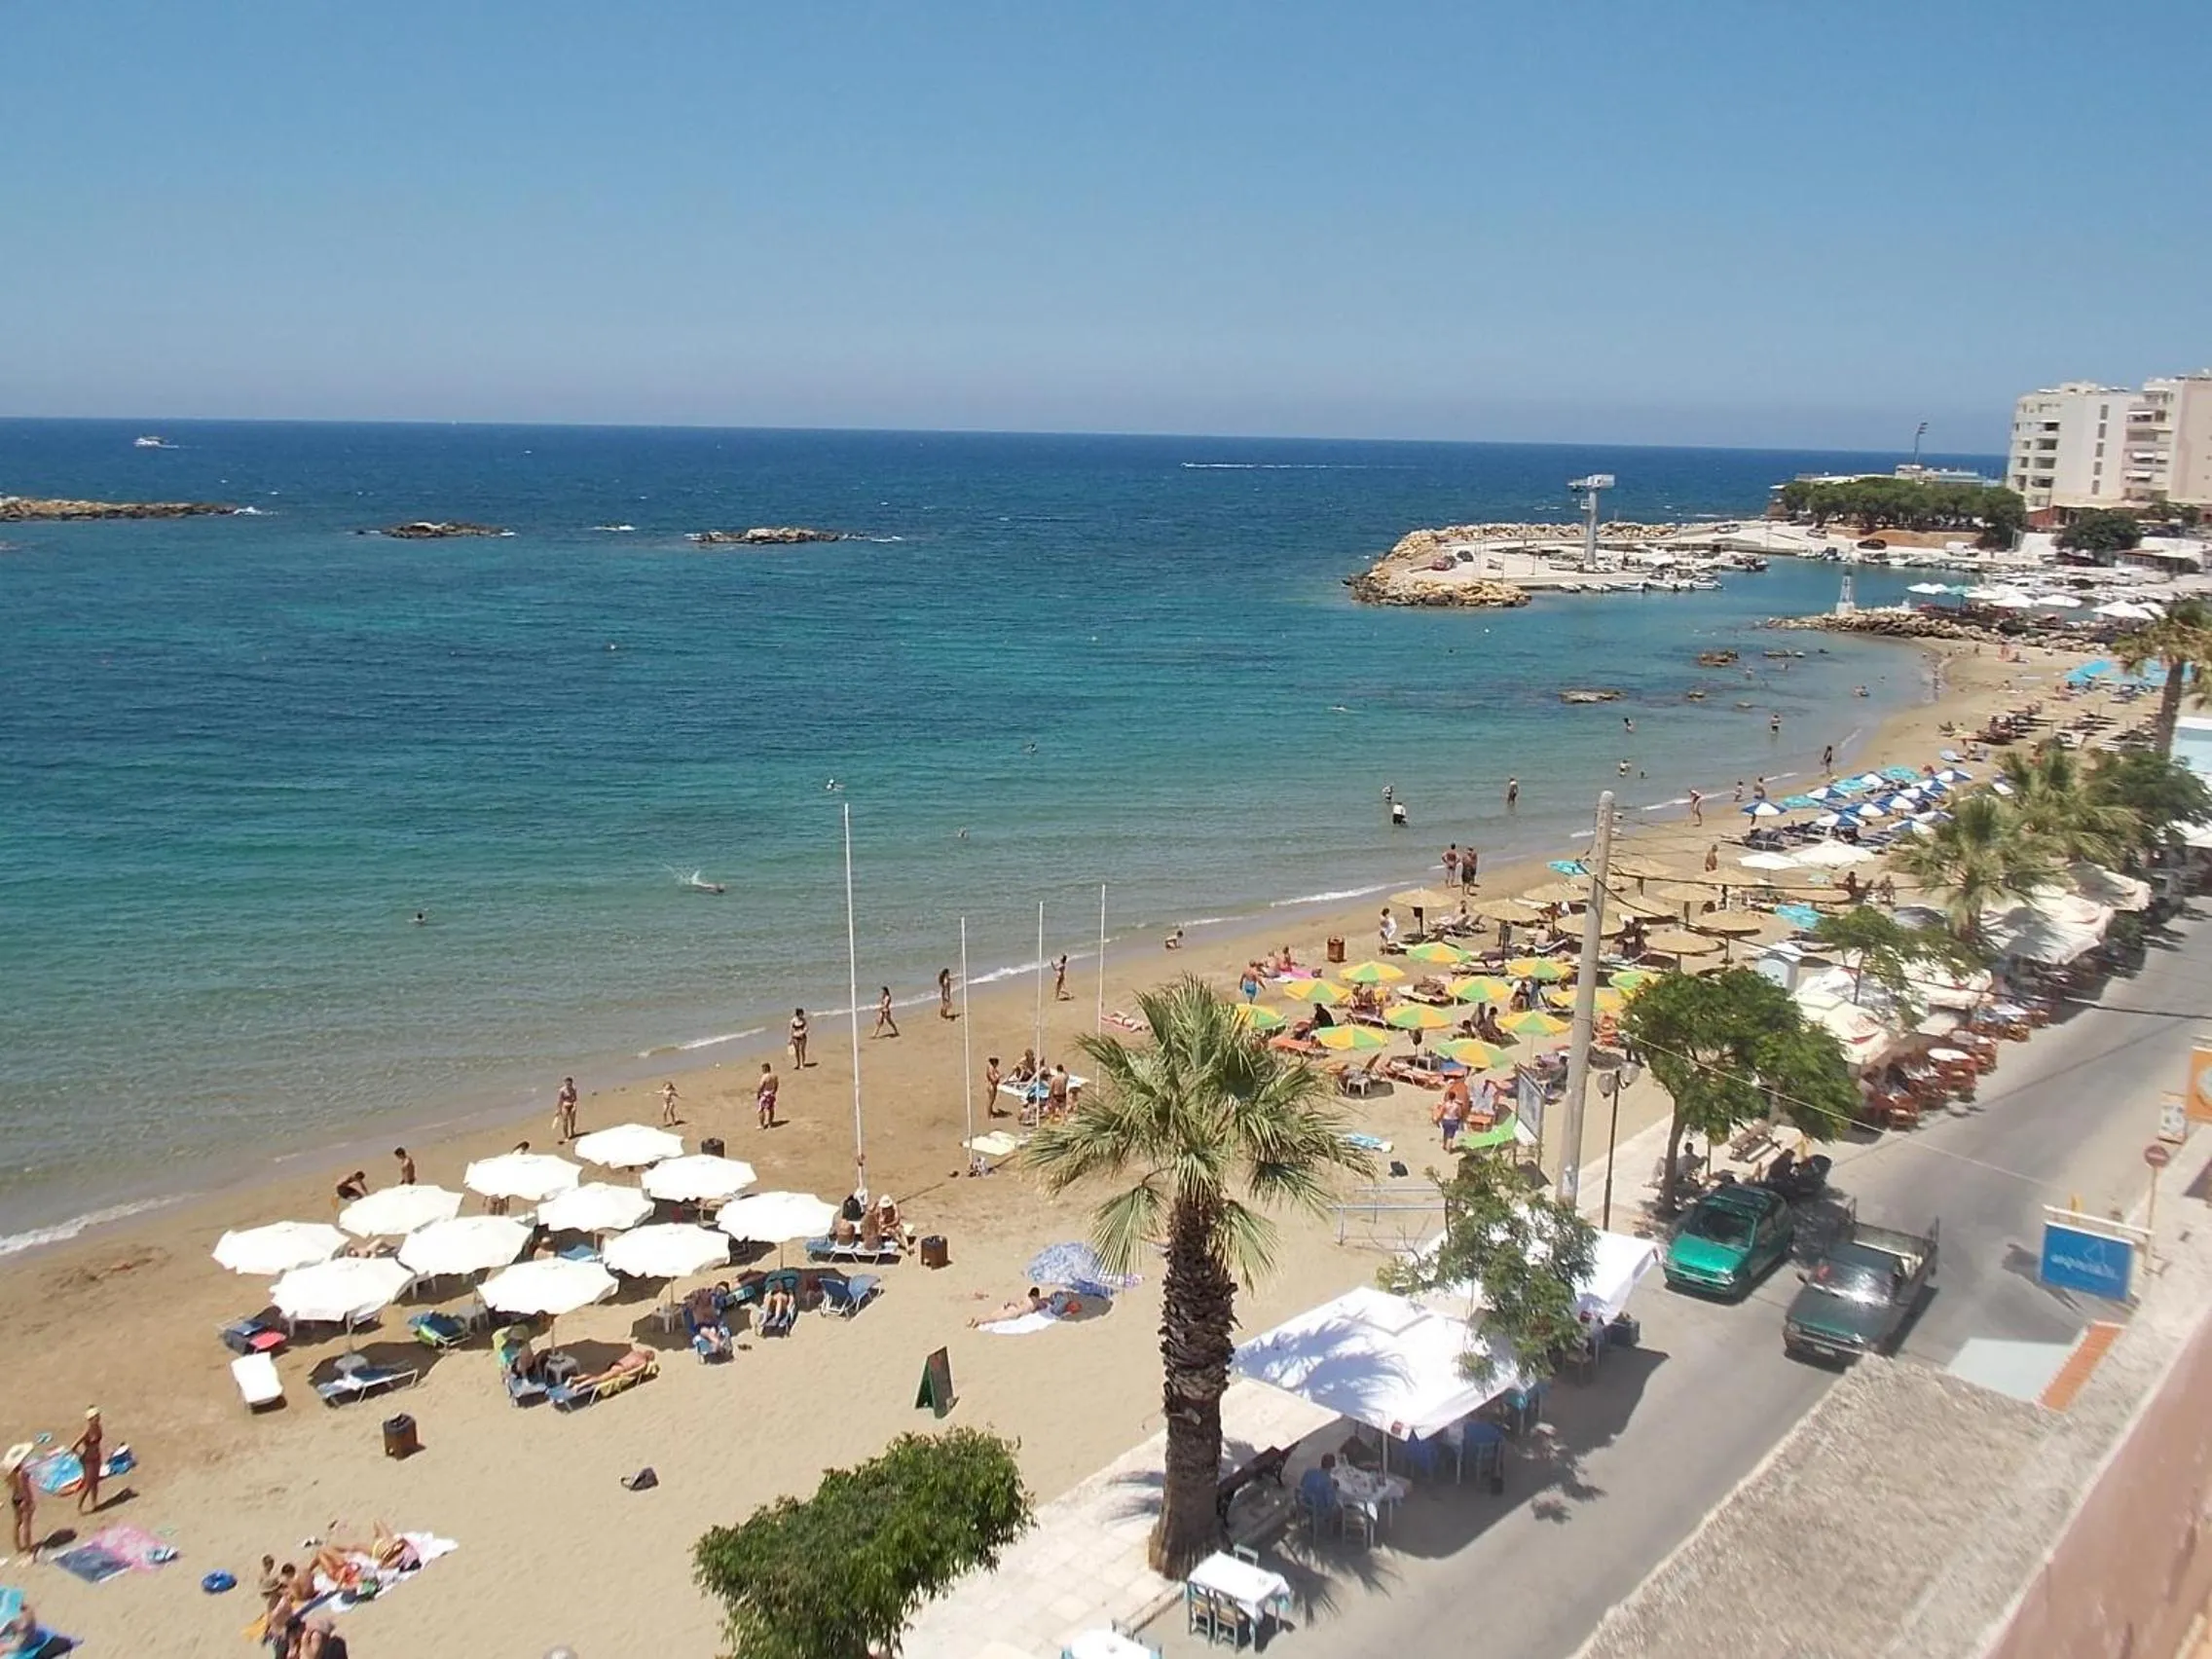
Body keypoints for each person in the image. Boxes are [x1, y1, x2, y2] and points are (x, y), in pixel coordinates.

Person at [71, 1407, 104, 1514]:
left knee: (95, 1481)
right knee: (88, 1483)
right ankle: (79, 1506)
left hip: (97, 1457)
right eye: (96, 1417)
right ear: (90, 1419)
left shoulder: (98, 1427)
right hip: (88, 1459)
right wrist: (80, 1456)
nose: (98, 1418)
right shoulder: (87, 1431)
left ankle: (94, 1503)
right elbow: (74, 1446)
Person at [6, 1442, 35, 1555]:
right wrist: (29, 1501)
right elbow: (25, 1489)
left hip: (15, 1498)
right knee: (27, 1524)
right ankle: (28, 1548)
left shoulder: (11, 1474)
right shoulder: (22, 1473)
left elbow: (11, 1486)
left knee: (17, 1523)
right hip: (24, 1499)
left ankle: (18, 1547)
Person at [553, 1076, 578, 1142]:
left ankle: (572, 1131)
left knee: (572, 1120)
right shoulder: (562, 1090)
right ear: (565, 1083)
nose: (569, 1085)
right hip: (565, 1106)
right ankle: (566, 1136)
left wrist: (575, 1106)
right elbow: (560, 1100)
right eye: (567, 1084)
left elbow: (575, 1098)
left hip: (572, 1105)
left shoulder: (574, 1089)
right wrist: (558, 1110)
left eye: (570, 1084)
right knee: (565, 1121)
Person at [756, 1062, 779, 1129]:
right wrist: (774, 1092)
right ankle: (770, 1123)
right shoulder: (774, 1076)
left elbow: (761, 1086)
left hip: (765, 1094)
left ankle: (761, 1125)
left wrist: (758, 1094)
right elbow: (776, 1085)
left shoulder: (764, 1076)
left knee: (761, 1110)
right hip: (771, 1094)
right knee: (771, 1109)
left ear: (765, 1069)